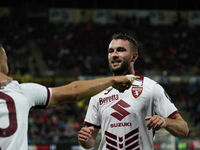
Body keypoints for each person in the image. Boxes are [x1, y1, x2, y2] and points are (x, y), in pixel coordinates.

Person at [0, 44, 138, 150]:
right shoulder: (20, 91)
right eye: (5, 56)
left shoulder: (22, 91)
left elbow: (74, 92)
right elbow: (73, 92)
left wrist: (112, 81)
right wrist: (112, 81)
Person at [78, 32, 189, 150]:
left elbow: (184, 129)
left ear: (134, 57)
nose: (114, 55)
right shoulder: (98, 91)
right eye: (111, 51)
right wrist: (84, 139)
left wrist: (165, 121)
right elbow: (90, 142)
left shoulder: (151, 87)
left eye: (120, 50)